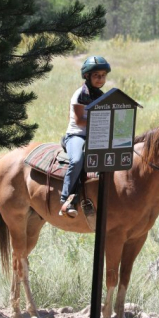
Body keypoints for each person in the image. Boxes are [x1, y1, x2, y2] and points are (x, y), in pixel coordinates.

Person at [59, 56, 111, 217]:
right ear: (87, 76)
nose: (100, 79)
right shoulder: (79, 95)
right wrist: (101, 124)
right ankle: (66, 199)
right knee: (77, 160)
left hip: (97, 136)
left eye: (103, 75)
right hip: (77, 135)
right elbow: (79, 121)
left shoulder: (102, 96)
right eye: (96, 75)